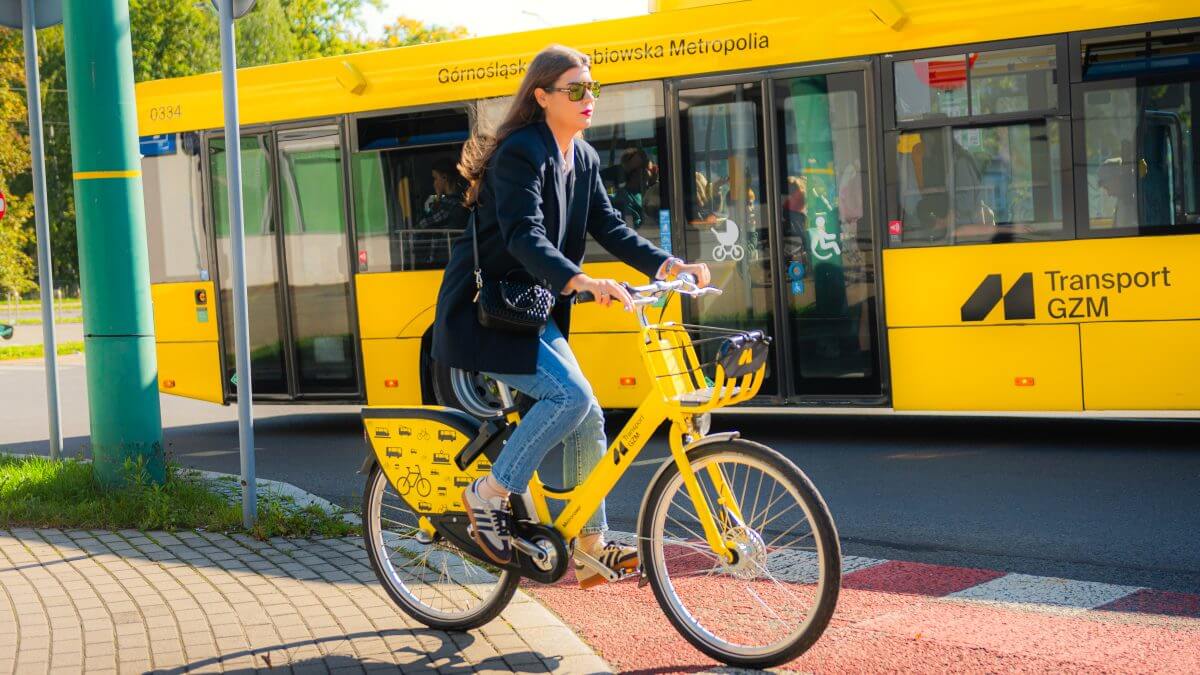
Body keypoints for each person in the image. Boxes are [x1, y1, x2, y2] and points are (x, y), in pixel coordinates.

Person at [430, 44, 711, 588]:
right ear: (542, 96)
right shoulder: (521, 151)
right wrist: (580, 279)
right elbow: (522, 234)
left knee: (589, 412)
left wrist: (668, 263)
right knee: (573, 397)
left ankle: (589, 545)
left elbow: (609, 226)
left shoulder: (582, 157)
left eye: (592, 89)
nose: (589, 99)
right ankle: (487, 493)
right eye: (575, 89)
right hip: (486, 312)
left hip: (534, 311)